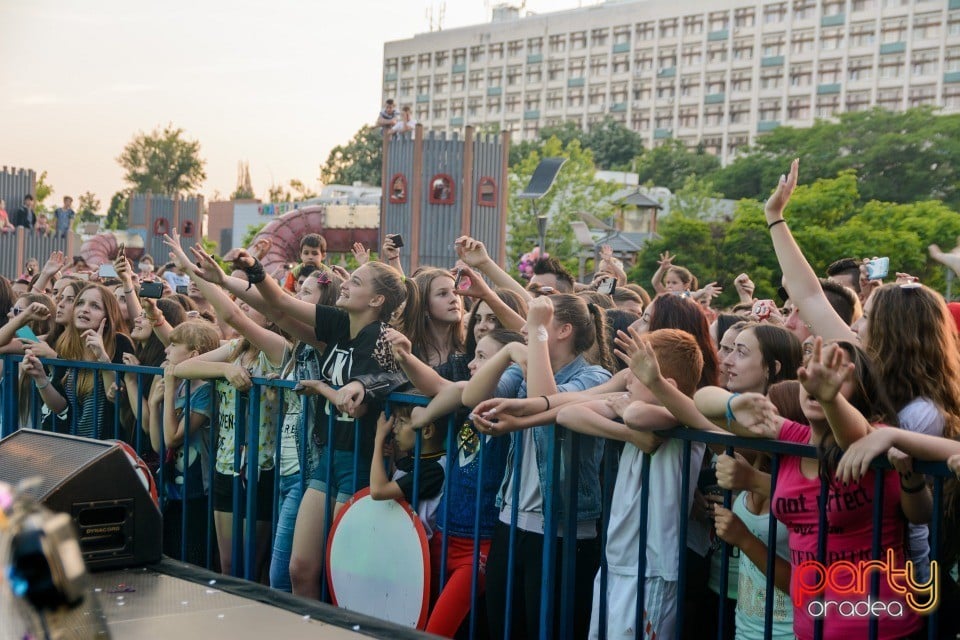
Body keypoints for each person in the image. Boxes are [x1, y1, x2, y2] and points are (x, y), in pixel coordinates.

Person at [463, 294, 613, 639]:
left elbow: (545, 405)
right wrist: (508, 352)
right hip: (510, 520)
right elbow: (472, 398)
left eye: (540, 320)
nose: (528, 326)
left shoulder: (594, 376)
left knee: (548, 630)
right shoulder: (522, 366)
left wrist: (535, 335)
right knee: (503, 628)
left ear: (563, 330)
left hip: (564, 530)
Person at [557, 329, 705, 640]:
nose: (627, 381)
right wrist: (626, 431)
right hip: (618, 561)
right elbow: (568, 414)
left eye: (637, 375)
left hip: (652, 570)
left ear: (666, 387)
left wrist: (626, 409)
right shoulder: (635, 410)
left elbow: (637, 413)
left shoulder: (680, 416)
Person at [19, 283, 135, 439]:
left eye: (95, 306)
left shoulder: (119, 342)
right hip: (74, 443)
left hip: (108, 444)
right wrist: (40, 377)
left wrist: (102, 357)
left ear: (107, 317)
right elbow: (60, 406)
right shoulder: (66, 345)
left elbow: (116, 397)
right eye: (80, 303)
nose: (84, 309)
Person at [151, 320, 219, 565]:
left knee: (193, 555)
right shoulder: (180, 388)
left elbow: (173, 437)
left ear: (193, 355)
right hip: (172, 488)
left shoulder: (204, 391)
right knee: (170, 550)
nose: (166, 350)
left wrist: (169, 389)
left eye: (173, 345)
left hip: (198, 488)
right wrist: (153, 403)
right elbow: (160, 446)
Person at [369, 407, 446, 538]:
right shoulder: (411, 459)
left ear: (427, 430)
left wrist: (379, 439)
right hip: (399, 540)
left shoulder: (435, 468)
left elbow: (378, 491)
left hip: (416, 548)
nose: (394, 429)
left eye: (402, 422)